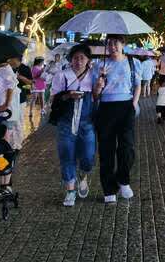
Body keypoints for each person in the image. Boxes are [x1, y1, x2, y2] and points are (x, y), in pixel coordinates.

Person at [92, 34, 141, 204]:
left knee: (127, 147)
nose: (112, 47)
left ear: (123, 44)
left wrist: (133, 103)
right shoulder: (100, 65)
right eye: (109, 43)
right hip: (106, 108)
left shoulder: (133, 62)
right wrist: (99, 85)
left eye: (115, 43)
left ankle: (123, 179)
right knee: (106, 150)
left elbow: (138, 85)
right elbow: (95, 95)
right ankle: (109, 189)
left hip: (126, 107)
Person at [50, 44, 95, 207]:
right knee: (66, 155)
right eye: (76, 57)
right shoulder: (62, 75)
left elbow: (98, 96)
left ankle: (83, 174)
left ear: (88, 60)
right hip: (66, 122)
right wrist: (68, 95)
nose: (79, 61)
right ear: (71, 59)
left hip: (87, 122)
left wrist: (99, 86)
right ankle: (70, 190)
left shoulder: (94, 75)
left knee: (88, 156)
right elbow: (53, 99)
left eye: (82, 57)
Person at [11, 57, 33, 122]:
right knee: (12, 118)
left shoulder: (25, 68)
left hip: (21, 97)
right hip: (11, 97)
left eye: (12, 59)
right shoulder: (9, 68)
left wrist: (21, 78)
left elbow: (30, 84)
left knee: (19, 119)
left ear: (17, 59)